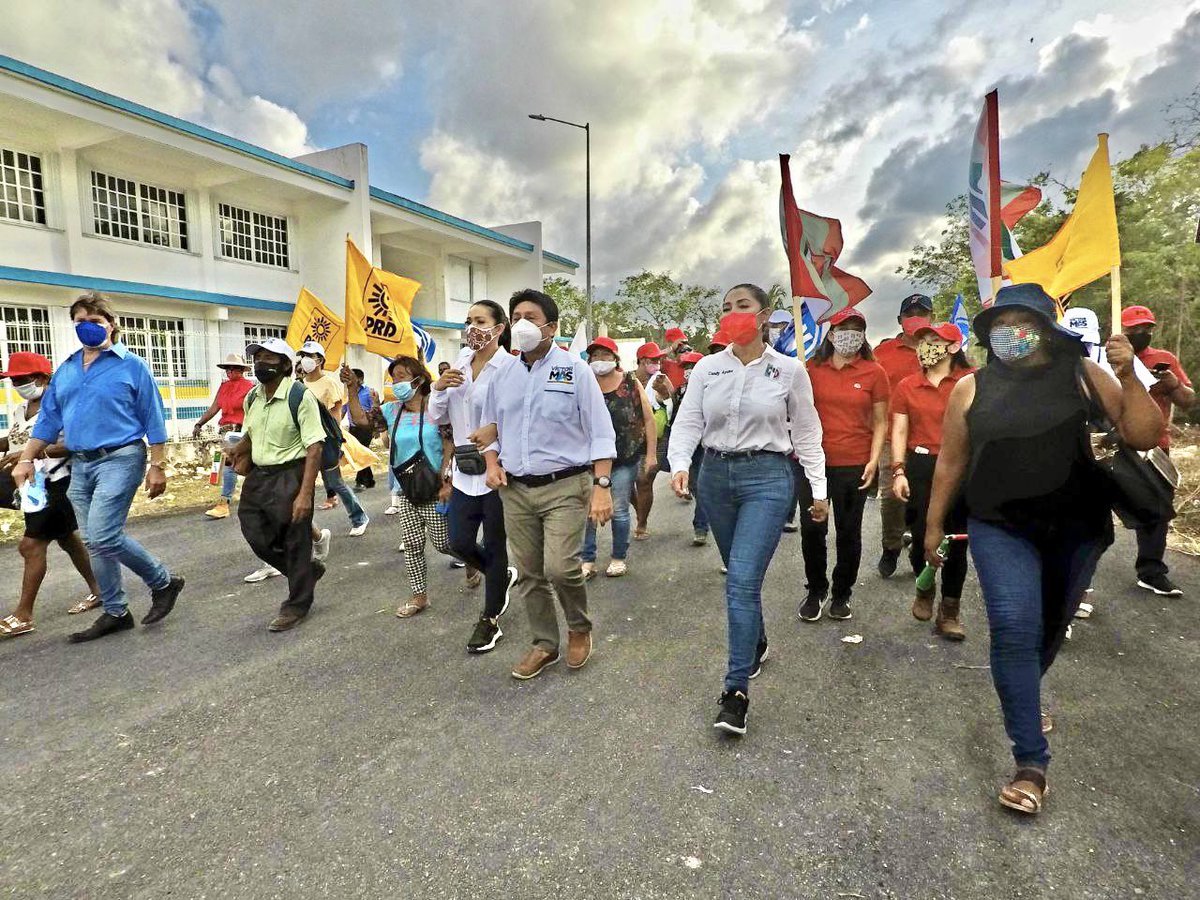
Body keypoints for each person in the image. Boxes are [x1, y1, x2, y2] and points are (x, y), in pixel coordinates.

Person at [924, 283, 1162, 814]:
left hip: (1077, 530)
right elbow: (950, 463)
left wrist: (1128, 374)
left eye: (1022, 321)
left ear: (1046, 331)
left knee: (1048, 632)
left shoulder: (1085, 376)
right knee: (1012, 626)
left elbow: (1144, 436)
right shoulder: (970, 388)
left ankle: (1026, 694)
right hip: (997, 525)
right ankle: (1031, 762)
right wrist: (934, 525)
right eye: (1001, 323)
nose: (1011, 332)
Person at [668, 283, 828, 736]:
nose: (733, 313)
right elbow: (689, 422)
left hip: (768, 478)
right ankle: (755, 640)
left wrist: (818, 489)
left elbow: (808, 431)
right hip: (715, 478)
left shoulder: (790, 370)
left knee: (739, 581)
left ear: (764, 315)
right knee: (740, 574)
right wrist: (680, 465)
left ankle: (735, 691)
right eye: (725, 308)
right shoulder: (705, 368)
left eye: (743, 306)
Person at [13, 292, 184, 643]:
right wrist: (26, 458)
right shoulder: (67, 370)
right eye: (80, 322)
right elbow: (47, 421)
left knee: (103, 535)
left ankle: (163, 581)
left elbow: (154, 418)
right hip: (81, 464)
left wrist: (158, 465)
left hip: (121, 457)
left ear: (112, 325)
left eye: (95, 321)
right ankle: (116, 611)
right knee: (95, 542)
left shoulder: (131, 366)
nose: (87, 328)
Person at [474, 288, 615, 681]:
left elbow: (601, 432)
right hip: (515, 489)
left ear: (551, 327)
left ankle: (579, 628)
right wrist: (491, 462)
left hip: (566, 486)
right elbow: (490, 428)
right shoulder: (501, 374)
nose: (521, 324)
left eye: (530, 317)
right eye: (516, 315)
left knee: (560, 568)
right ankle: (544, 643)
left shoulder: (575, 370)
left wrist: (602, 486)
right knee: (530, 572)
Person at [426, 299, 520, 652]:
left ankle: (490, 619)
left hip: (499, 472)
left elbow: (519, 416)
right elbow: (438, 418)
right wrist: (438, 389)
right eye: (468, 321)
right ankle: (500, 575)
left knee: (496, 546)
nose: (472, 328)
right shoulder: (461, 364)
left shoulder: (511, 367)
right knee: (459, 542)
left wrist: (494, 430)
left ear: (498, 328)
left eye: (480, 321)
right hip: (465, 472)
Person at [1062, 307, 1157, 620]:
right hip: (1060, 467)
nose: (1085, 350)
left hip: (1104, 466)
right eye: (1077, 343)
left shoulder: (1115, 358)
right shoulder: (1051, 366)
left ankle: (1080, 584)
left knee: (1095, 531)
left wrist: (1127, 373)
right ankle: (1066, 596)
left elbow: (1145, 425)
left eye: (1088, 342)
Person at [226, 338, 326, 631]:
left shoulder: (299, 396)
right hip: (260, 476)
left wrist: (305, 494)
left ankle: (296, 605)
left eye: (270, 358)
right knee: (254, 532)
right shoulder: (253, 397)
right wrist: (238, 449)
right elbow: (251, 434)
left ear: (284, 365)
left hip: (291, 474)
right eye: (258, 358)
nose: (261, 364)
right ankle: (306, 572)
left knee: (295, 540)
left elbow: (315, 447)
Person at [797, 307, 889, 623]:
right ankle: (816, 590)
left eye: (857, 328)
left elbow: (880, 421)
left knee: (848, 531)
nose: (850, 334)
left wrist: (874, 460)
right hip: (813, 464)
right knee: (811, 530)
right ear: (831, 333)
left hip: (854, 463)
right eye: (844, 327)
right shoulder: (811, 369)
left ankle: (841, 593)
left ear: (863, 335)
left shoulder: (874, 373)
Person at [0, 352, 101, 636]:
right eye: (12, 380)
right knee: (67, 538)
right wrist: (12, 451)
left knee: (31, 546)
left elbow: (75, 442)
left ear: (43, 378)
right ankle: (100, 589)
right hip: (31, 483)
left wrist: (32, 453)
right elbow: (17, 439)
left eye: (21, 379)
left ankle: (24, 615)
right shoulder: (22, 410)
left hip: (58, 483)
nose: (16, 384)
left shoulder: (63, 406)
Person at [891, 322, 974, 639]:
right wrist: (898, 469)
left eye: (934, 340)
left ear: (953, 347)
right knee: (922, 535)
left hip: (961, 465)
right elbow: (899, 430)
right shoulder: (907, 386)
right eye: (923, 340)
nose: (926, 345)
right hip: (922, 465)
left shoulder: (971, 381)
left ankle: (950, 611)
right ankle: (924, 587)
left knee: (955, 539)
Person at [353, 355, 454, 617]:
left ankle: (473, 562)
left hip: (434, 487)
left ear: (419, 379)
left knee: (444, 544)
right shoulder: (391, 410)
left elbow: (448, 444)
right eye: (394, 376)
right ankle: (419, 596)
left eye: (402, 376)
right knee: (411, 544)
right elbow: (361, 421)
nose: (396, 381)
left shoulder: (437, 408)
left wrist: (447, 480)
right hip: (406, 489)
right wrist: (352, 390)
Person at [1121, 304, 1194, 597]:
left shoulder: (1165, 359)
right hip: (1111, 445)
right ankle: (1080, 584)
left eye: (1147, 329)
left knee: (1157, 510)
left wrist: (1172, 382)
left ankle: (1151, 572)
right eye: (1135, 329)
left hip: (1154, 447)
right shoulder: (1107, 356)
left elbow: (1188, 400)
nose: (1142, 333)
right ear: (1122, 330)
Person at [581, 336, 656, 578]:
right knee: (588, 511)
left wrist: (651, 455)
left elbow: (648, 418)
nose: (599, 360)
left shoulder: (631, 382)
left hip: (625, 457)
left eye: (605, 355)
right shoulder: (584, 383)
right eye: (594, 356)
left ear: (615, 358)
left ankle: (618, 557)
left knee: (620, 509)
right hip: (589, 460)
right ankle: (587, 559)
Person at [873, 293, 932, 577]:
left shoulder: (942, 349)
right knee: (891, 495)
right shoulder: (882, 353)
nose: (916, 319)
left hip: (929, 437)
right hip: (890, 437)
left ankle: (920, 550)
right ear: (900, 320)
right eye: (910, 314)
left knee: (924, 497)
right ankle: (891, 546)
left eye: (922, 313)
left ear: (932, 318)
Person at [298, 341, 369, 536]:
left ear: (319, 360)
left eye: (309, 355)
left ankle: (359, 518)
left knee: (335, 482)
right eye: (302, 355)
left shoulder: (329, 383)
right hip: (303, 441)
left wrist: (335, 442)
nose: (304, 359)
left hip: (326, 441)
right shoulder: (299, 384)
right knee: (305, 484)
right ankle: (305, 527)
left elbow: (336, 414)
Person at [192, 353, 254, 520]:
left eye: (233, 368)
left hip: (240, 431)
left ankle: (224, 503)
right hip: (225, 432)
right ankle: (236, 500)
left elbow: (254, 411)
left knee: (230, 465)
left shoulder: (249, 388)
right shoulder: (224, 387)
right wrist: (199, 423)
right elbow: (214, 408)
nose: (229, 371)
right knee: (229, 466)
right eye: (227, 368)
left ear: (241, 370)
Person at [631, 341, 673, 540]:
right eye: (651, 360)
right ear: (640, 361)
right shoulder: (626, 380)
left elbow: (670, 407)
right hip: (629, 439)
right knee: (624, 483)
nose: (655, 364)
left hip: (656, 438)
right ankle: (640, 508)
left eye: (658, 360)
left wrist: (664, 394)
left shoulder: (662, 380)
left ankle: (641, 523)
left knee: (645, 480)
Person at [670, 350, 710, 544]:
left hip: (707, 445)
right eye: (685, 367)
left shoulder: (711, 387)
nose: (688, 370)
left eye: (691, 367)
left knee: (703, 486)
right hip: (688, 444)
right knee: (694, 484)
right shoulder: (679, 390)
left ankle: (701, 525)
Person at [346, 367, 380, 491]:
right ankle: (369, 480)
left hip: (366, 428)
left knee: (361, 453)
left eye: (354, 377)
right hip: (352, 428)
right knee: (358, 454)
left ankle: (359, 482)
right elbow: (344, 409)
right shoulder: (349, 392)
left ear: (360, 378)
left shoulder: (369, 392)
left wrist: (376, 429)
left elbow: (376, 410)